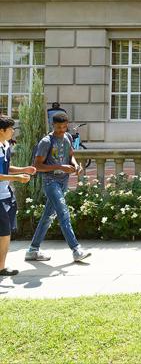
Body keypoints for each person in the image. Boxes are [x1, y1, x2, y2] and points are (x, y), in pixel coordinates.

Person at [25, 113, 91, 263]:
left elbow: (70, 155)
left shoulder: (67, 137)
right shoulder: (46, 141)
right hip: (50, 182)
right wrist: (60, 166)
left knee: (47, 216)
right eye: (58, 127)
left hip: (63, 182)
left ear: (67, 125)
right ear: (52, 125)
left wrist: (74, 165)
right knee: (63, 213)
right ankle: (76, 250)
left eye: (64, 127)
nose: (61, 130)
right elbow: (37, 166)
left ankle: (32, 250)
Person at [0, 115, 35, 277]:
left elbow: (5, 168)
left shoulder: (6, 145)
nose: (13, 131)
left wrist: (23, 169)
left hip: (6, 195)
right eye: (11, 129)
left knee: (5, 233)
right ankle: (1, 268)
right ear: (2, 131)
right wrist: (17, 178)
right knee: (4, 232)